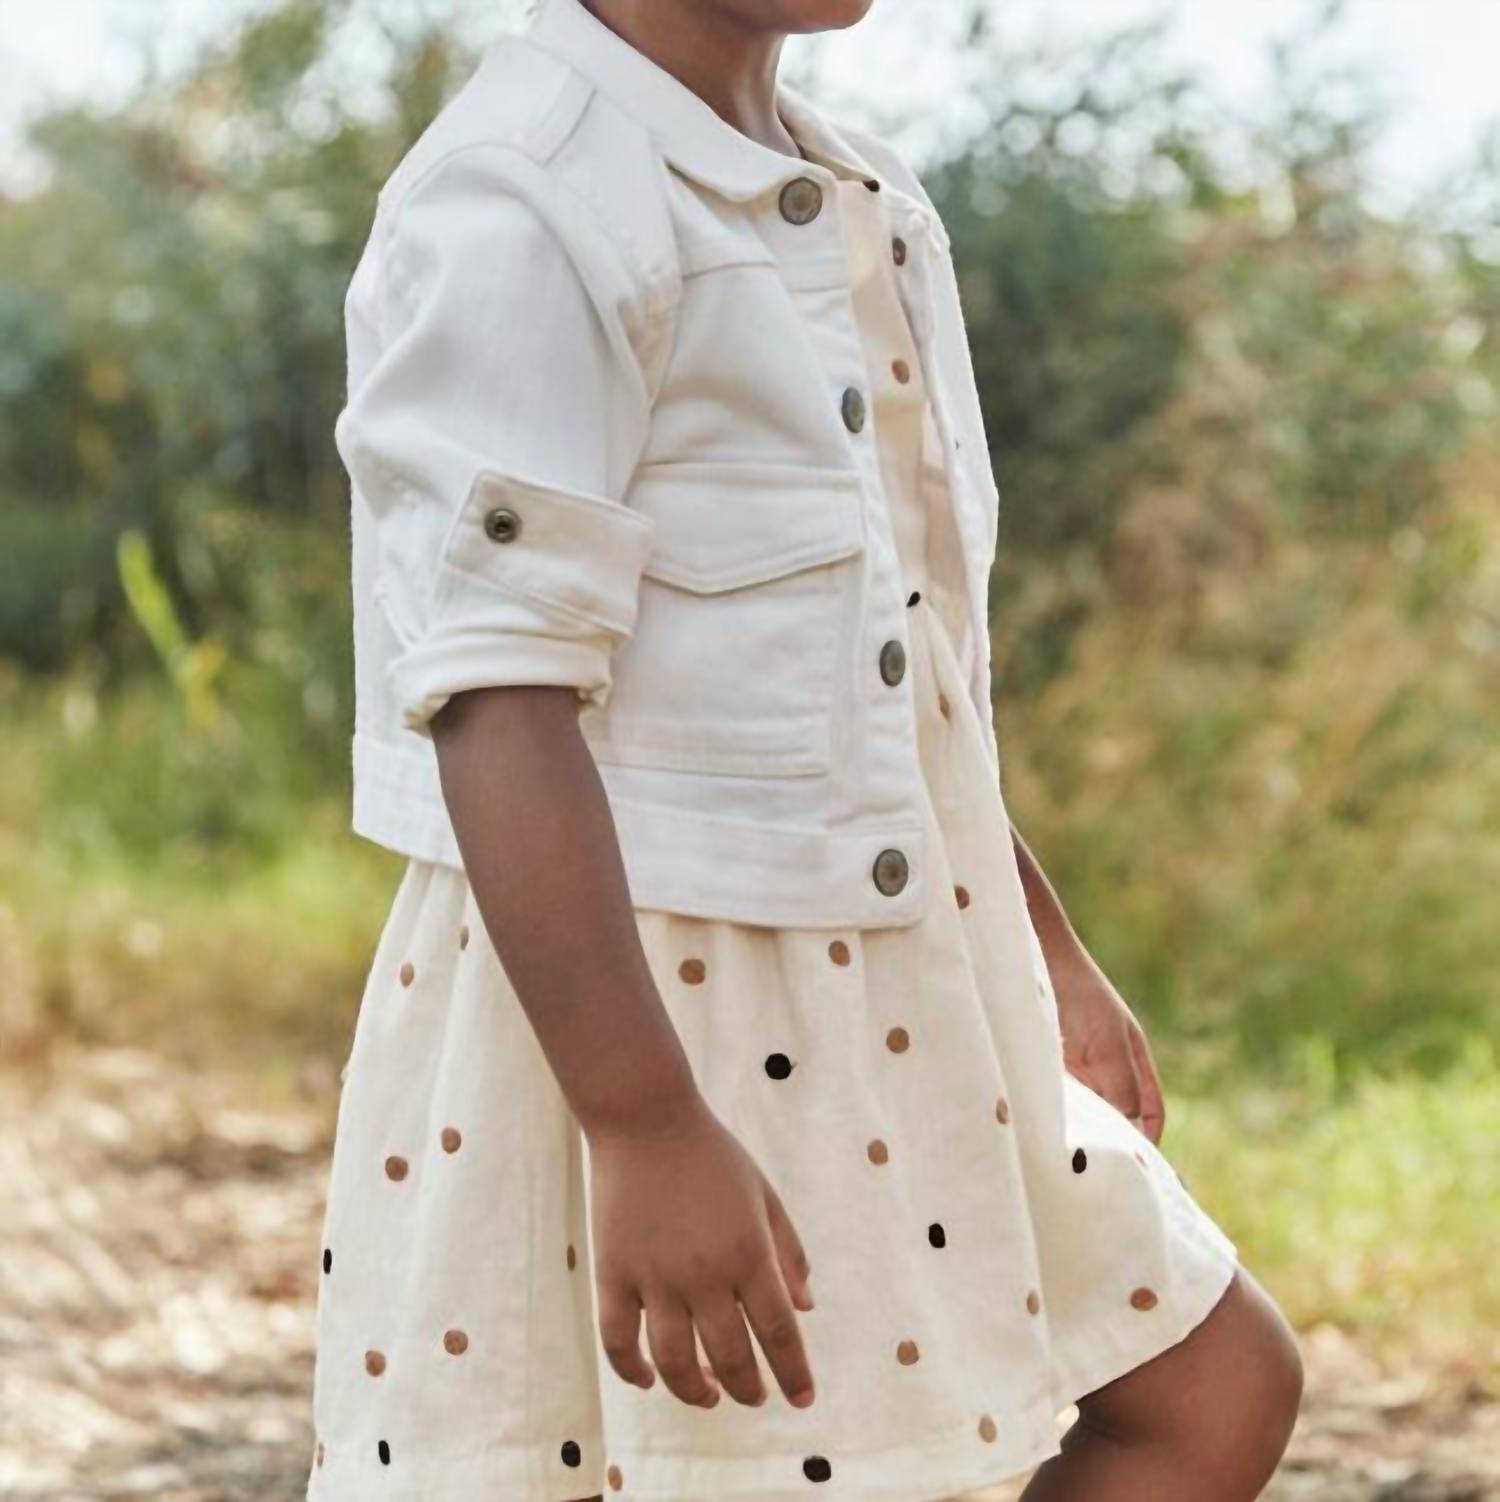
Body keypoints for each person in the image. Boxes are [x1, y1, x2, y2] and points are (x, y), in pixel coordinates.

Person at [307, 0, 1304, 1497]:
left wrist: (1040, 950)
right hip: (657, 1017)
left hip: (906, 986)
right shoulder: (525, 193)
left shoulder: (854, 192)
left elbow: (886, 669)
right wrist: (642, 1121)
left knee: (1216, 1386)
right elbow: (496, 698)